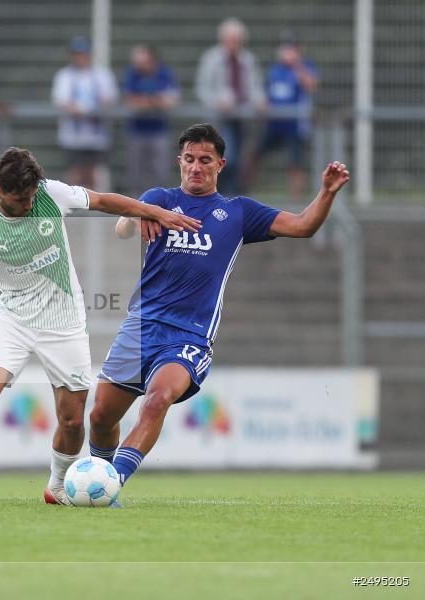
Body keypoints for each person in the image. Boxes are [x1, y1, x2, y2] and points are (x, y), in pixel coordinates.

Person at [0, 147, 201, 506]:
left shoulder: (49, 193)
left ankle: (56, 486)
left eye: (32, 195)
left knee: (72, 422)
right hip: (13, 320)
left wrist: (155, 212)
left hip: (65, 324)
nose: (29, 203)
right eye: (21, 198)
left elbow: (102, 201)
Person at [89, 123, 349, 493]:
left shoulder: (238, 212)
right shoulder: (158, 199)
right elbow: (121, 229)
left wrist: (325, 192)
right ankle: (93, 480)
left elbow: (303, 226)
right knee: (100, 416)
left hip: (189, 335)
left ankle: (109, 483)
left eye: (205, 160)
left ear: (220, 165)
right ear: (179, 161)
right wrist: (140, 215)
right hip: (141, 328)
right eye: (190, 159)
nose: (196, 167)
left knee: (158, 399)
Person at [195, 18, 266, 196]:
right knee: (227, 158)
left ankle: (234, 197)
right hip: (220, 120)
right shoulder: (211, 59)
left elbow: (255, 87)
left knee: (242, 161)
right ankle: (220, 194)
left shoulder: (247, 60)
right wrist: (217, 103)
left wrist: (260, 100)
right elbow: (202, 90)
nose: (234, 43)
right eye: (231, 39)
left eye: (237, 39)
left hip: (243, 120)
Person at [244, 33, 319, 200]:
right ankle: (243, 192)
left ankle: (296, 202)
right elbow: (267, 94)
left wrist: (297, 65)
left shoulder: (305, 67)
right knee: (253, 154)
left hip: (295, 126)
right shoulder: (275, 70)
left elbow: (311, 85)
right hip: (274, 124)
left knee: (295, 164)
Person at [51, 36, 118, 191]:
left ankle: (91, 207)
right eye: (76, 54)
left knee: (92, 172)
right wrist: (80, 109)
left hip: (97, 136)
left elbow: (109, 99)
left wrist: (90, 109)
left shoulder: (102, 75)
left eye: (83, 54)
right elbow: (61, 101)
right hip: (72, 136)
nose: (80, 58)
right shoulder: (64, 75)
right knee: (74, 172)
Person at [121, 44, 179, 194]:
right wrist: (155, 101)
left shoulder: (164, 74)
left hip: (159, 131)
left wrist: (146, 101)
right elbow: (129, 100)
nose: (139, 66)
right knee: (135, 173)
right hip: (137, 131)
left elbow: (171, 100)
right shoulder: (133, 74)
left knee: (160, 171)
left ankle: (159, 206)